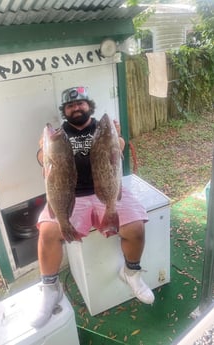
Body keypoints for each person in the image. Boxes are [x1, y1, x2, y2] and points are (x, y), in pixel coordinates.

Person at [31, 86, 154, 328]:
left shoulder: (103, 129)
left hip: (107, 190)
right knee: (48, 231)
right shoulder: (58, 135)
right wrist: (43, 150)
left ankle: (131, 273)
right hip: (68, 194)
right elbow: (42, 160)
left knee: (136, 227)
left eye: (81, 103)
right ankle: (50, 288)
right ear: (65, 112)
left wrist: (118, 141)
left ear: (89, 106)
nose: (76, 108)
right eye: (70, 106)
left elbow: (117, 150)